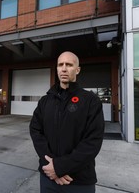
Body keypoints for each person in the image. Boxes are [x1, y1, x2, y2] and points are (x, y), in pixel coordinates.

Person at [29, 51, 105, 193]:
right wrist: (51, 166)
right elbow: (35, 131)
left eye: (69, 65)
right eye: (60, 65)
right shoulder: (45, 101)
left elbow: (92, 141)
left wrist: (60, 167)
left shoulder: (90, 101)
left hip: (78, 181)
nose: (64, 68)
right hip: (48, 178)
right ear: (57, 68)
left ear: (77, 70)